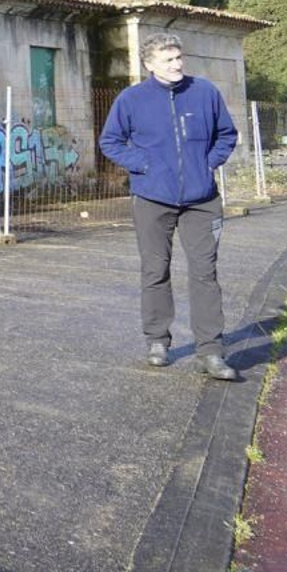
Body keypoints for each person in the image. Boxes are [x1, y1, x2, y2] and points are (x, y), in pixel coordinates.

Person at [98, 33, 241, 380]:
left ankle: (210, 351)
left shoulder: (205, 92)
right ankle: (158, 341)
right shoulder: (131, 99)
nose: (177, 65)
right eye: (168, 60)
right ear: (149, 64)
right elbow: (110, 141)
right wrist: (145, 165)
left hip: (202, 200)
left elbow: (227, 134)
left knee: (205, 273)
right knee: (155, 270)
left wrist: (208, 164)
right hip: (152, 198)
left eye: (179, 58)